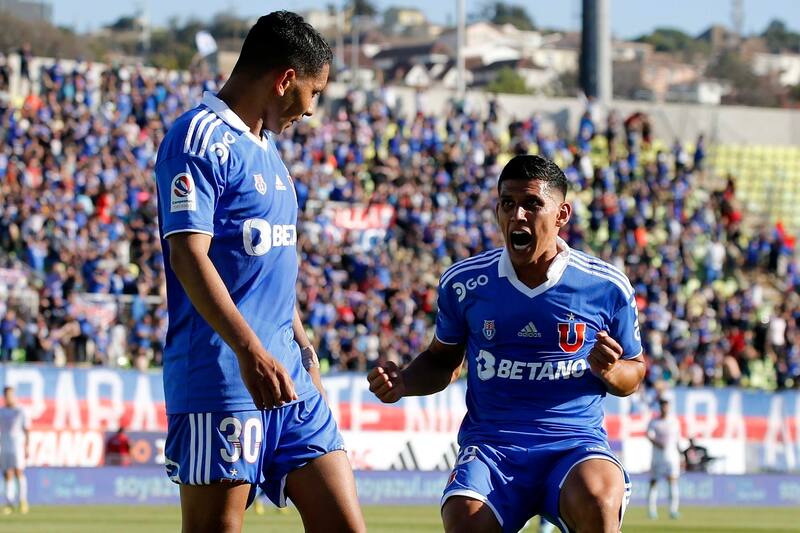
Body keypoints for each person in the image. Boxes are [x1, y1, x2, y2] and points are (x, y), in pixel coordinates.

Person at [154, 11, 365, 533]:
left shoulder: (269, 151)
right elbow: (188, 255)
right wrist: (249, 351)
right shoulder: (196, 138)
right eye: (314, 93)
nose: (311, 110)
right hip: (222, 378)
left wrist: (303, 346)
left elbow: (269, 271)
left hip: (288, 377)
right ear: (285, 79)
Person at [369, 154, 646, 533]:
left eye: (532, 204)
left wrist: (614, 371)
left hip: (573, 445)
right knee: (464, 515)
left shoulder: (605, 286)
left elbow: (635, 370)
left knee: (599, 498)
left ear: (562, 214)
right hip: (492, 446)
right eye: (508, 204)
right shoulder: (464, 283)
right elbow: (441, 361)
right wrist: (404, 381)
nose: (517, 215)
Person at [646, 396, 682, 520]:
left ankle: (673, 510)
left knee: (672, 481)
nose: (664, 407)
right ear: (660, 407)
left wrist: (681, 456)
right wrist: (657, 443)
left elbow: (677, 440)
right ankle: (652, 511)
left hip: (672, 457)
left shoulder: (674, 421)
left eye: (666, 405)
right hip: (657, 457)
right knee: (654, 483)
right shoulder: (654, 422)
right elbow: (649, 436)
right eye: (662, 405)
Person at [0, 386, 29, 514]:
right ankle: (9, 503)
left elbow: (27, 429)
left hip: (17, 445)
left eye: (11, 395)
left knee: (18, 472)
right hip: (4, 445)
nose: (9, 397)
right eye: (6, 395)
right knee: (7, 474)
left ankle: (23, 500)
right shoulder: (1, 412)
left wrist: (27, 446)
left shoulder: (20, 410)